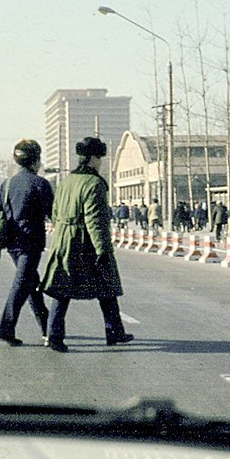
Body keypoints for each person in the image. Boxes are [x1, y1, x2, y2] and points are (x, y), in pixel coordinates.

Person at [39, 137, 133, 353]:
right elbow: (95, 220)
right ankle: (113, 331)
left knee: (62, 288)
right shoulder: (95, 184)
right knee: (107, 286)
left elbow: (54, 213)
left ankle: (54, 335)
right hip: (85, 242)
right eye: (99, 157)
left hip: (63, 239)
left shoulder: (66, 182)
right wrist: (102, 249)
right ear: (92, 158)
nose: (101, 161)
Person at [0, 139, 53, 347]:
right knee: (21, 284)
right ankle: (5, 328)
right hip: (31, 242)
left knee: (29, 282)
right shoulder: (41, 184)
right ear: (36, 160)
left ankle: (47, 326)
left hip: (12, 243)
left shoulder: (6, 185)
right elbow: (53, 213)